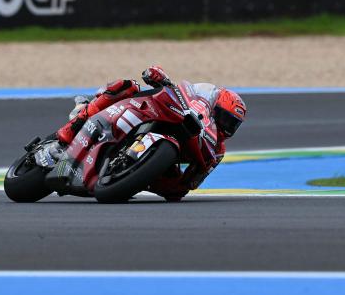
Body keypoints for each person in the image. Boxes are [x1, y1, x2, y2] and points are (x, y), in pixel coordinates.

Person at [41, 65, 247, 201]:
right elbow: (173, 87)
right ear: (214, 106)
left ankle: (125, 175)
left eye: (232, 124)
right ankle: (73, 126)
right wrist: (159, 77)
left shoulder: (217, 150)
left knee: (176, 193)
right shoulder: (197, 100)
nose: (225, 125)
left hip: (163, 159)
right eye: (224, 117)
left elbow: (191, 183)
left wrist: (176, 181)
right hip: (146, 112)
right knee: (127, 86)